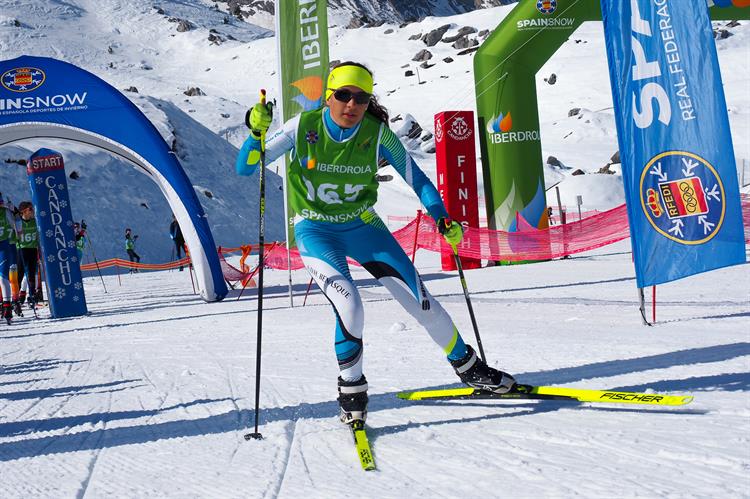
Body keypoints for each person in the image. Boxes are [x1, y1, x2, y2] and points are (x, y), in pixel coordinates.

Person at [235, 61, 515, 425]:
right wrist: (254, 133)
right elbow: (246, 167)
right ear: (329, 97)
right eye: (344, 95)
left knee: (422, 303)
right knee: (350, 307)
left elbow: (419, 180)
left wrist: (441, 216)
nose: (352, 105)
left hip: (363, 226)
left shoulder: (378, 133)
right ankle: (351, 390)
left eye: (361, 98)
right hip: (315, 230)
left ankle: (469, 368)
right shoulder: (301, 127)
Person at [15, 201, 40, 310]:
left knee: (31, 274)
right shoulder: (18, 222)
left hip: (32, 250)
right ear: (23, 211)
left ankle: (32, 297)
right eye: (30, 209)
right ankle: (15, 299)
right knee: (19, 275)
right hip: (21, 250)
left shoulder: (35, 222)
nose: (32, 211)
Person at [0, 195, 18, 323]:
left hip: (3, 245)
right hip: (4, 245)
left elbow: (19, 227)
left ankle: (7, 306)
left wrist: (14, 211)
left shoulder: (5, 211)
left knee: (3, 276)